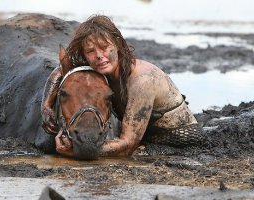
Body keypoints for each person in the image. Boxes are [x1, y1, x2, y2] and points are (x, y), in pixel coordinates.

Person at [41, 15, 202, 157]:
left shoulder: (143, 80)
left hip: (177, 140)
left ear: (117, 44)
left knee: (134, 156)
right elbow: (60, 71)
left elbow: (127, 145)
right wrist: (46, 105)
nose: (99, 56)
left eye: (104, 47)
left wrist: (77, 150)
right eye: (90, 51)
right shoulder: (101, 67)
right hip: (142, 135)